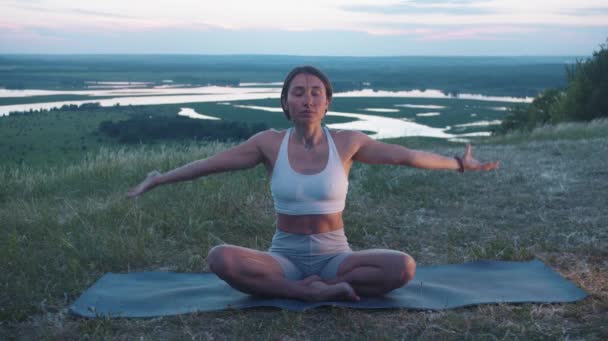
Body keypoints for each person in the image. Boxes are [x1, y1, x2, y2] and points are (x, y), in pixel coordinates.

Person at [128, 66, 499, 302]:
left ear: (327, 103)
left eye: (315, 92)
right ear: (286, 103)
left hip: (336, 258)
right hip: (283, 258)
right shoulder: (268, 143)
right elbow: (209, 165)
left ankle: (312, 289)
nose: (307, 99)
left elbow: (406, 156)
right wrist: (159, 179)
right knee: (219, 258)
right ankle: (306, 293)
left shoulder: (348, 142)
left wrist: (459, 164)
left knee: (404, 268)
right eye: (298, 92)